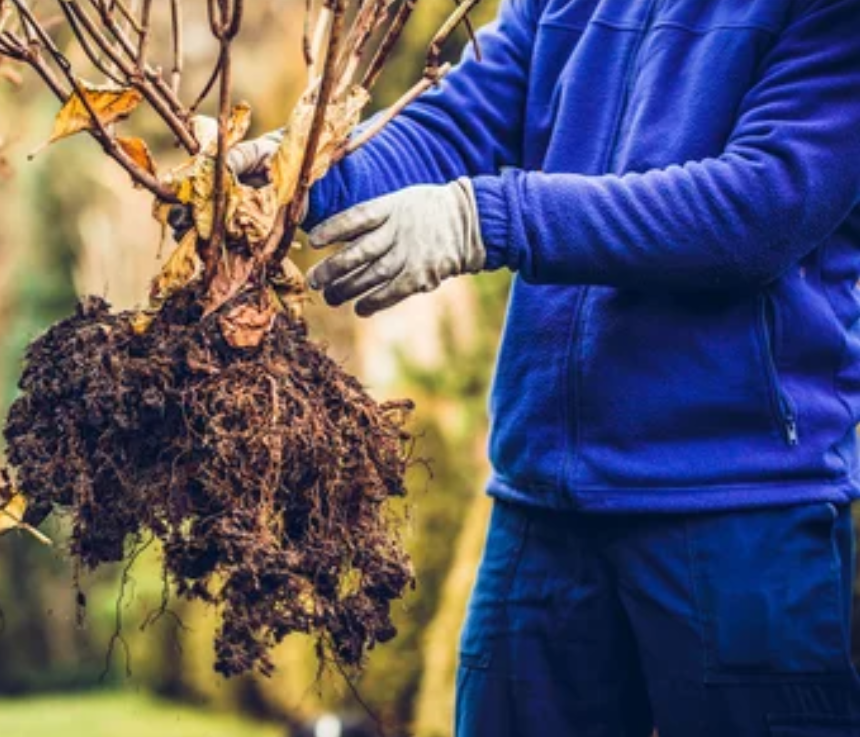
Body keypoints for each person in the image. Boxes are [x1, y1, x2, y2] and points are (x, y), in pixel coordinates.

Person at [229, 1, 860, 735]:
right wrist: (285, 178)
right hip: (542, 511)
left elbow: (758, 207)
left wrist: (488, 218)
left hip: (738, 507)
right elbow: (453, 127)